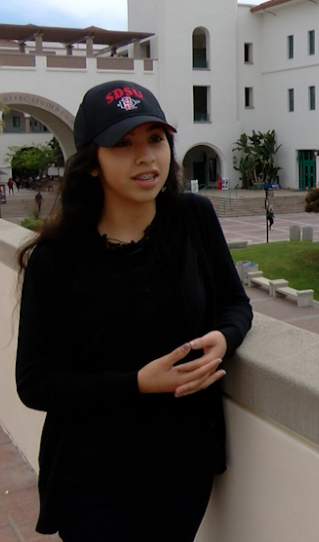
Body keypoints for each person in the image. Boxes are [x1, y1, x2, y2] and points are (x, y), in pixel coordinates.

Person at [15, 80, 253, 541]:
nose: (146, 157)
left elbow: (235, 303)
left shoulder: (194, 218)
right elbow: (35, 382)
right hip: (97, 478)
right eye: (123, 144)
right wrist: (137, 384)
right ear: (91, 164)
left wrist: (225, 338)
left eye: (156, 139)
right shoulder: (56, 258)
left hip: (186, 465)